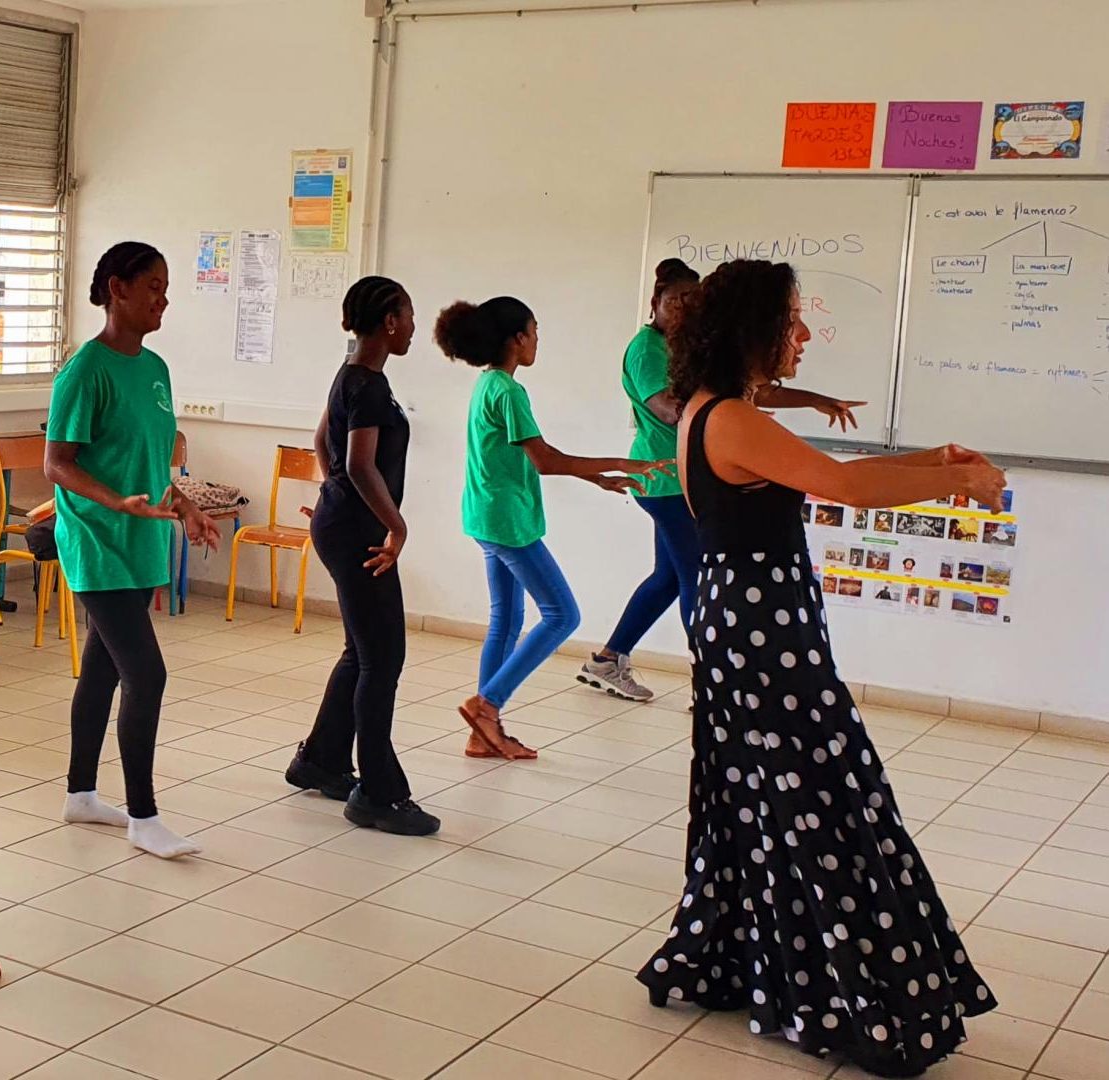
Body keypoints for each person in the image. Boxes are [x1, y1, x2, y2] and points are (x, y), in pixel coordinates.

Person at [637, 259, 1001, 1077]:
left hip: (752, 622)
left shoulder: (717, 409)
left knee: (769, 798)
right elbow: (842, 485)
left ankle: (763, 966)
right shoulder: (729, 417)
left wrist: (934, 458)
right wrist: (959, 478)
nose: (802, 335)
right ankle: (847, 994)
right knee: (817, 800)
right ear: (753, 328)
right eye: (791, 318)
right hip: (760, 632)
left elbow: (836, 475)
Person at [580, 258, 864, 702]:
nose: (683, 307)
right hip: (665, 480)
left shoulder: (689, 351)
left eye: (691, 300)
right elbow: (669, 410)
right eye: (675, 300)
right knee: (698, 581)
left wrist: (814, 400)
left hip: (678, 480)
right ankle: (709, 683)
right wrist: (732, 420)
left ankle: (607, 659)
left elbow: (751, 389)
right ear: (655, 302)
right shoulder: (648, 349)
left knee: (668, 577)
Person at [434, 296, 670, 759]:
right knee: (562, 615)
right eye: (535, 330)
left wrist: (598, 477)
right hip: (508, 522)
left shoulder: (489, 384)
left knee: (506, 620)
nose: (538, 340)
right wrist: (621, 462)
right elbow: (545, 460)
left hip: (486, 515)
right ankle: (487, 706)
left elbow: (534, 457)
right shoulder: (509, 392)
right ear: (517, 339)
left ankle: (483, 732)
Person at [44, 241, 219, 859]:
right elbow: (57, 464)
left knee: (103, 669)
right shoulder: (84, 370)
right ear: (117, 289)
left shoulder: (155, 369)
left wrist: (185, 505)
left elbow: (147, 461)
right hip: (97, 543)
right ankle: (144, 817)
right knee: (146, 673)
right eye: (153, 287)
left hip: (141, 539)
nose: (163, 300)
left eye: (166, 289)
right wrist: (115, 503)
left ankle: (80, 795)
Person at [285, 277, 440, 836]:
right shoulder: (368, 384)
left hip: (344, 522)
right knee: (383, 657)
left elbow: (321, 440)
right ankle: (378, 793)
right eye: (410, 315)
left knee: (362, 651)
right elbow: (358, 462)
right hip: (360, 533)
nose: (414, 326)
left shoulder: (352, 373)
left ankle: (322, 760)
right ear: (390, 322)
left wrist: (336, 496)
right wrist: (395, 524)